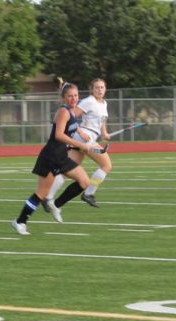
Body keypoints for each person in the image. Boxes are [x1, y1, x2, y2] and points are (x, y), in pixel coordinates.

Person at [11, 82, 94, 235]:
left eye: (75, 95)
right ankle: (20, 222)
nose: (73, 98)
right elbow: (59, 135)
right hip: (50, 157)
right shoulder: (63, 111)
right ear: (64, 98)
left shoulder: (72, 111)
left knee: (84, 182)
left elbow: (72, 126)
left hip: (62, 156)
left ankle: (56, 204)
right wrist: (80, 145)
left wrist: (81, 133)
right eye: (70, 96)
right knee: (41, 193)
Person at [44, 76, 112, 209]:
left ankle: (48, 199)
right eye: (97, 87)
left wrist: (104, 133)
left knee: (67, 170)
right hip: (82, 138)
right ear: (92, 89)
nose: (99, 89)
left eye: (102, 87)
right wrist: (81, 133)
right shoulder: (89, 101)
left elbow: (102, 122)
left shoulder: (104, 104)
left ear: (105, 89)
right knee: (106, 165)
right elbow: (71, 116)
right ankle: (89, 194)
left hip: (86, 138)